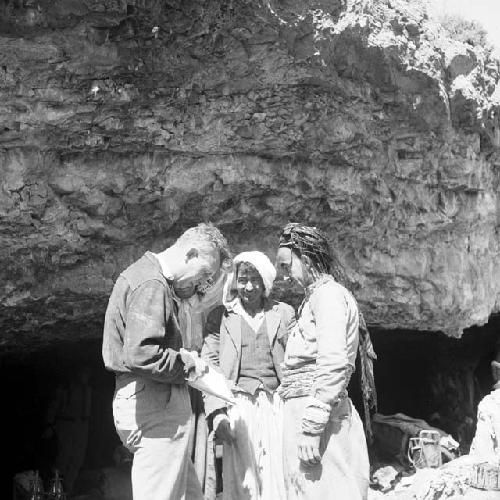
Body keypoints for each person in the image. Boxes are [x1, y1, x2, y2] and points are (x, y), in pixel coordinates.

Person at [102, 223, 231, 500]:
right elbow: (141, 354)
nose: (204, 283)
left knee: (189, 495)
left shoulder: (150, 279)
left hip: (156, 405)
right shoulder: (151, 283)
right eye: (205, 272)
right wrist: (188, 364)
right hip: (155, 408)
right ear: (191, 254)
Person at [275, 223, 371, 500]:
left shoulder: (328, 296)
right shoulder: (315, 298)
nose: (284, 276)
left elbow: (332, 361)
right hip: (307, 410)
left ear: (305, 261)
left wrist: (312, 427)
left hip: (318, 415)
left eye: (285, 266)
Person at [201, 251, 295, 499]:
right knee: (243, 482)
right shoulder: (220, 317)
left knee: (279, 478)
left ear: (266, 282)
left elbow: (299, 360)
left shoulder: (283, 313)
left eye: (255, 279)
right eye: (243, 279)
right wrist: (217, 412)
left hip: (277, 405)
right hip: (239, 406)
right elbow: (209, 365)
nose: (249, 287)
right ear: (234, 281)